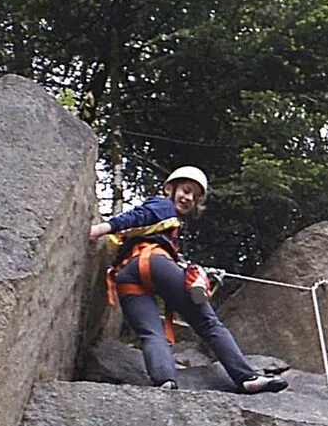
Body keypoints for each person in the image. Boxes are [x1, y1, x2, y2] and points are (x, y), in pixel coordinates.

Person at [89, 166, 287, 394]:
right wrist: (100, 229)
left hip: (127, 275)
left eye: (194, 196)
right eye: (185, 190)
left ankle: (165, 381)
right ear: (169, 189)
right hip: (155, 261)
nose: (188, 198)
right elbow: (137, 217)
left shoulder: (168, 226)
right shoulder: (163, 206)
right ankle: (246, 376)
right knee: (207, 323)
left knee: (151, 333)